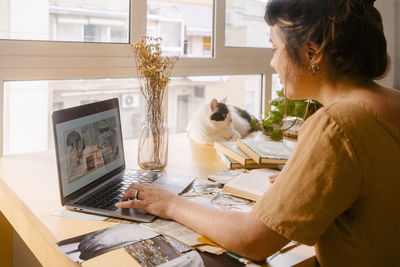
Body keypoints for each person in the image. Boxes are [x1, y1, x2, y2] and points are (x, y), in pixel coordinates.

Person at [116, 0, 400, 265]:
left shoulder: (337, 125)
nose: (272, 63)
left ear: (312, 53)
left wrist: (168, 203)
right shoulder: (391, 102)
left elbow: (252, 240)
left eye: (275, 49)